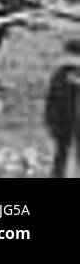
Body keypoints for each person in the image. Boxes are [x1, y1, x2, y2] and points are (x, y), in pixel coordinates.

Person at [45, 38, 80, 178]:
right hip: (65, 121)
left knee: (62, 153)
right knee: (62, 152)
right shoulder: (60, 76)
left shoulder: (58, 75)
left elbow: (51, 102)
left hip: (65, 121)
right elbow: (53, 102)